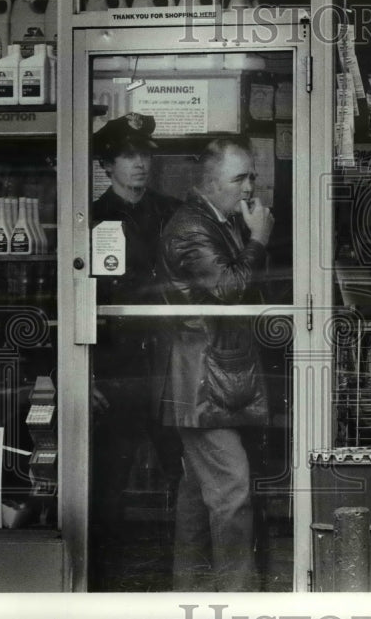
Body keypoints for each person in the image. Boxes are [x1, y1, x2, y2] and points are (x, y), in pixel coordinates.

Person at [157, 135, 274, 591]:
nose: (250, 187)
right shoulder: (191, 227)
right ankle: (237, 599)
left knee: (197, 494)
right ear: (210, 181)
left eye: (253, 176)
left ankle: (189, 594)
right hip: (204, 382)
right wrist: (259, 238)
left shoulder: (215, 220)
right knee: (231, 492)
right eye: (240, 177)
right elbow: (228, 288)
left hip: (214, 377)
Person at [89, 112, 183, 590]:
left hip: (169, 365)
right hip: (116, 369)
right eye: (128, 156)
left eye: (145, 155)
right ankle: (102, 585)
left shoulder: (171, 212)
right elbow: (74, 300)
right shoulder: (92, 217)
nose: (140, 164)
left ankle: (183, 579)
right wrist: (81, 376)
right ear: (107, 164)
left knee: (183, 474)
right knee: (109, 482)